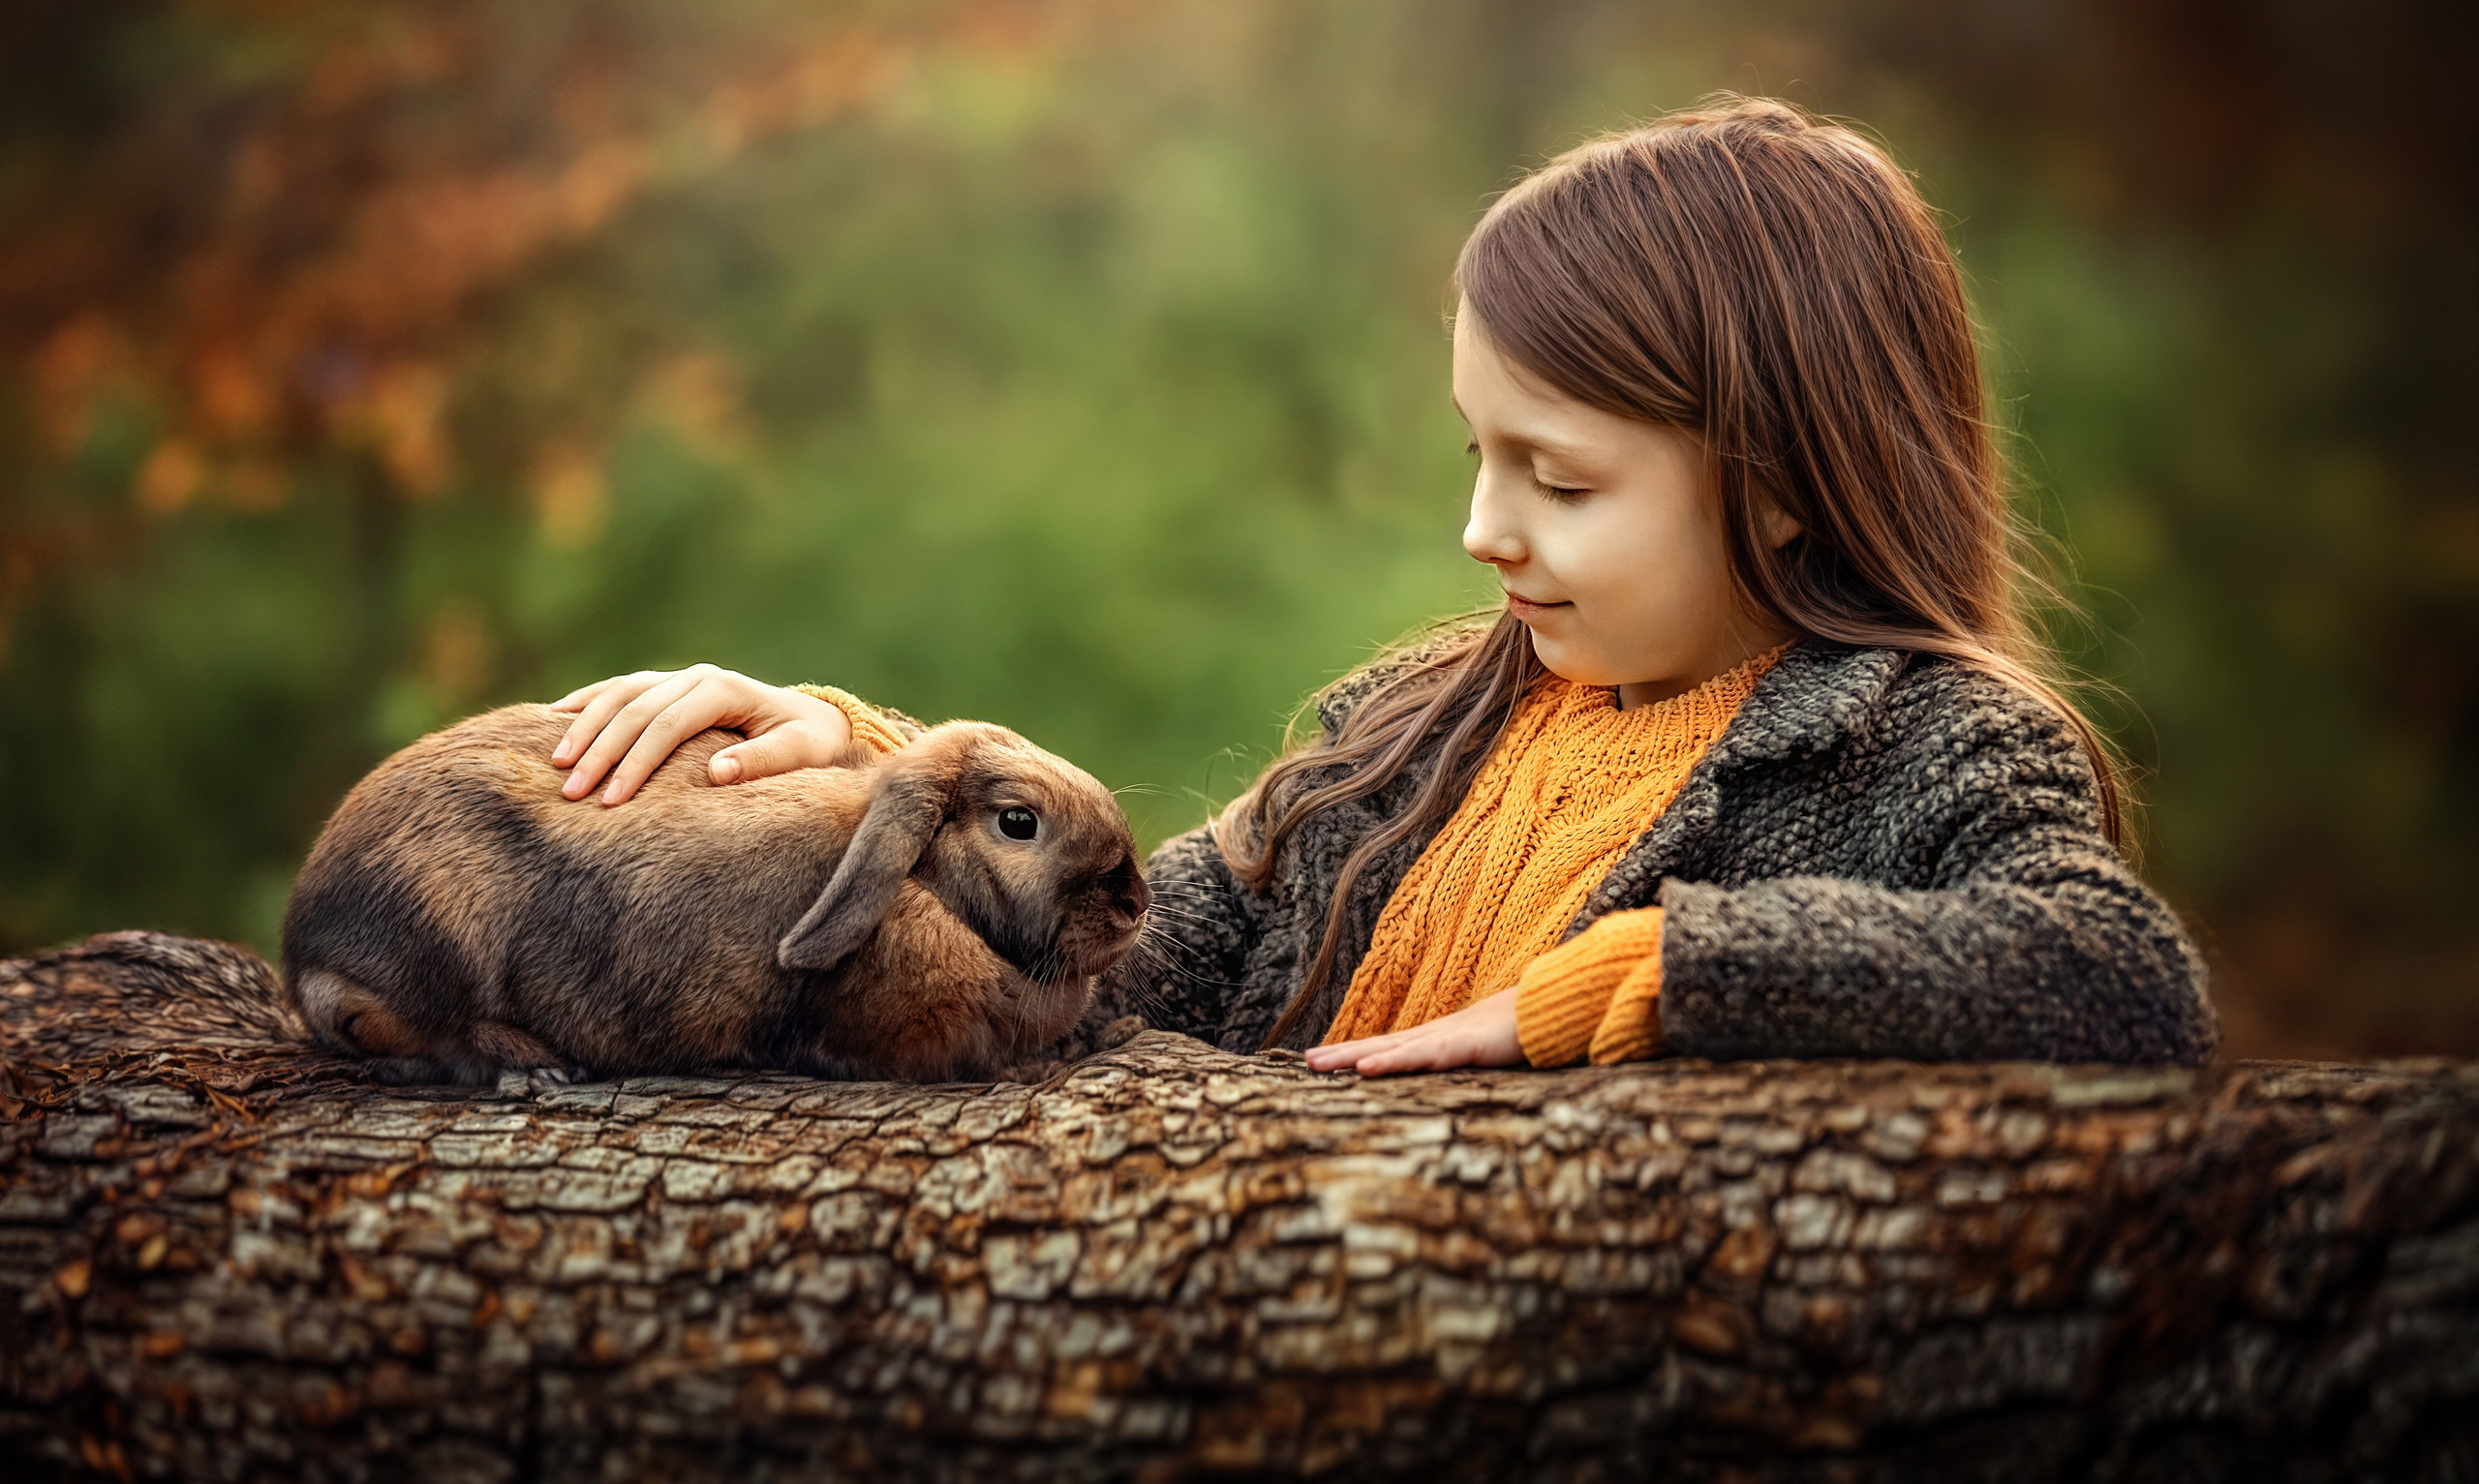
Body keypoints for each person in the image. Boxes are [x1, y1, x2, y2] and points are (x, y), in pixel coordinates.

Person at [546, 96, 2218, 1077]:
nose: (1487, 529)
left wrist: (1641, 974)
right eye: (1478, 455)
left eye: (1560, 480)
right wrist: (855, 764)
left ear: (1777, 488)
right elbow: (1107, 948)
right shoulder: (1417, 731)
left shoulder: (1927, 750)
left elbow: (2120, 973)